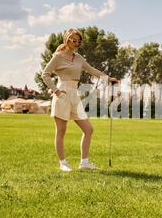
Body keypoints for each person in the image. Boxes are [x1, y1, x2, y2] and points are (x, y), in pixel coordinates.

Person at [42, 28, 118, 172]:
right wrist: (56, 90)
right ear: (67, 39)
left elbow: (92, 70)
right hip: (62, 93)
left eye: (79, 41)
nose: (77, 43)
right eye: (74, 40)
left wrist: (109, 79)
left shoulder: (79, 58)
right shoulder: (58, 57)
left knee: (88, 129)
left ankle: (84, 163)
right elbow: (45, 74)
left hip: (74, 95)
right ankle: (63, 163)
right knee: (61, 131)